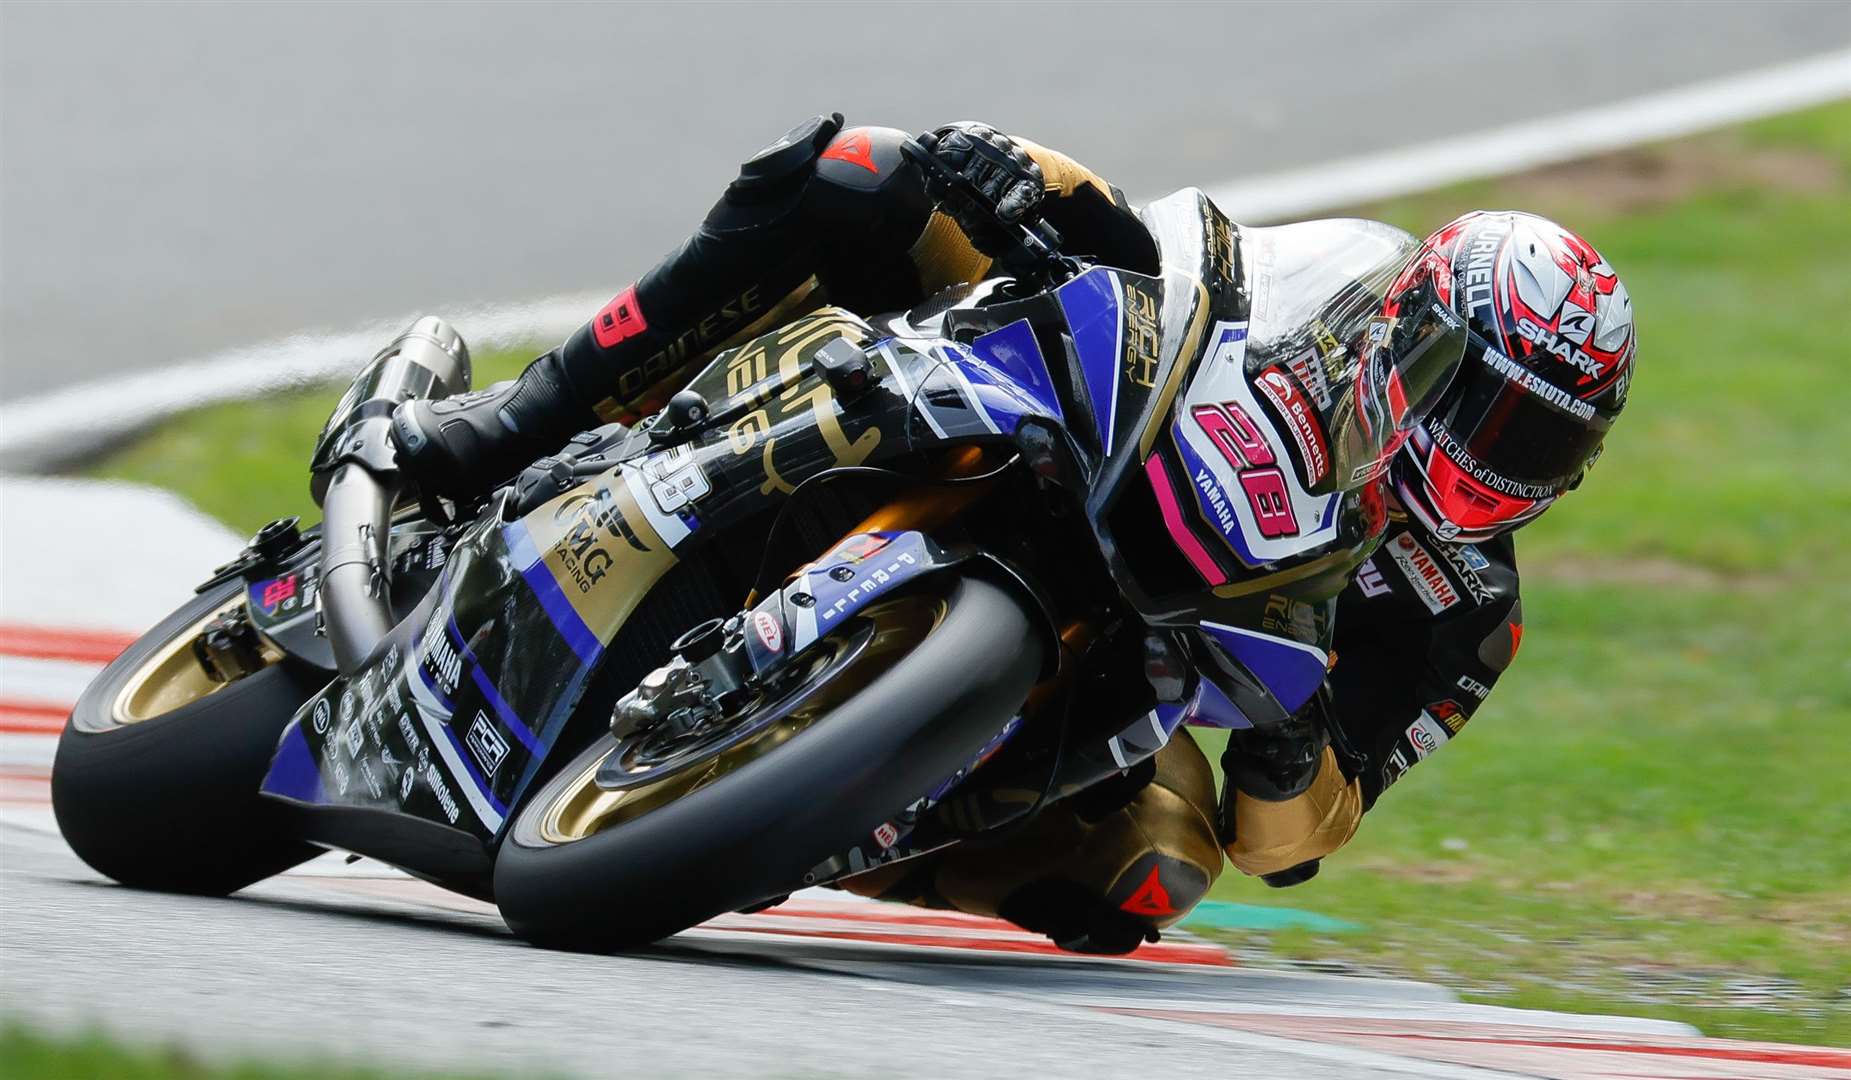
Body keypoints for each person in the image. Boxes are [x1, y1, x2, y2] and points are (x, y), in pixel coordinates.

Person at [391, 116, 1635, 949]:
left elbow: (1296, 844)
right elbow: (1179, 258)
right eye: (1495, 413)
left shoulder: (1466, 609)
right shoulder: (1337, 305)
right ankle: (518, 421)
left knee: (1161, 865)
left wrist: (1290, 739)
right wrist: (1014, 173)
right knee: (864, 175)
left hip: (1146, 652)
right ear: (1422, 341)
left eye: (1547, 444)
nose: (1503, 462)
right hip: (1092, 423)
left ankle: (829, 818)